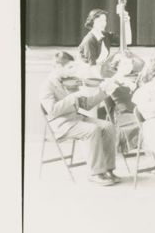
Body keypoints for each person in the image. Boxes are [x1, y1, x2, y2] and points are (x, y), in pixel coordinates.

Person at [40, 51, 123, 186]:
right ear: (57, 67)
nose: (73, 71)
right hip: (62, 124)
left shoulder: (70, 82)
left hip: (77, 119)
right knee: (92, 130)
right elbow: (52, 111)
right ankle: (96, 173)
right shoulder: (46, 86)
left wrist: (105, 92)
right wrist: (73, 97)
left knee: (107, 126)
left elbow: (87, 105)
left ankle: (108, 170)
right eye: (70, 68)